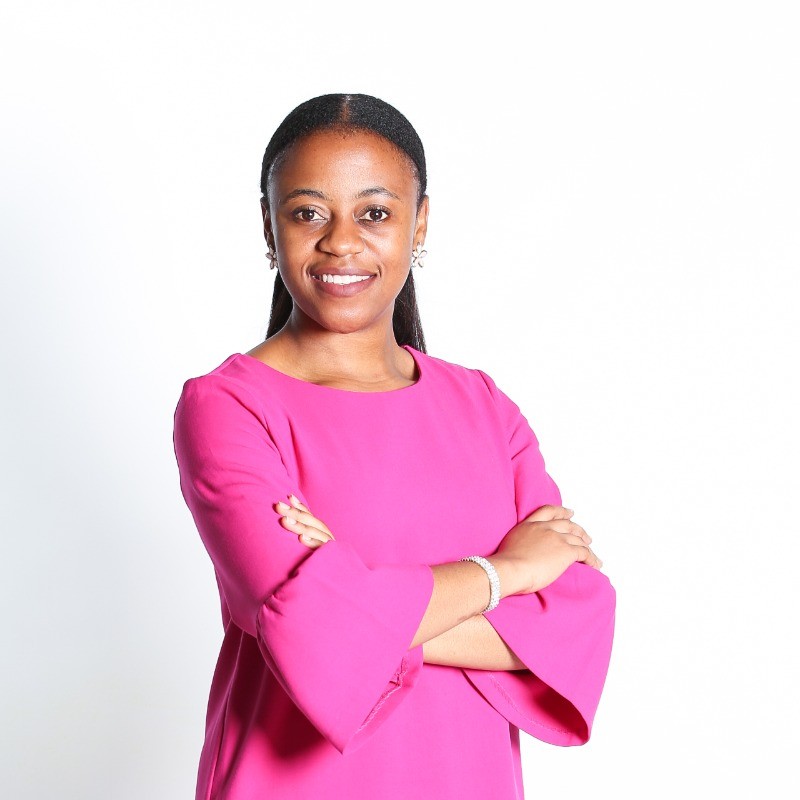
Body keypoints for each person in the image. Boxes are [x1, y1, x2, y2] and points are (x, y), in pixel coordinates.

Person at [172, 92, 616, 800]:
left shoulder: (484, 407)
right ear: (269, 224)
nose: (341, 242)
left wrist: (357, 598)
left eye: (374, 213)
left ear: (420, 222)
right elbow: (307, 632)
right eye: (308, 213)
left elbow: (575, 619)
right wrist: (505, 574)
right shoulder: (228, 407)